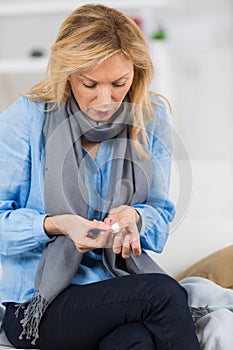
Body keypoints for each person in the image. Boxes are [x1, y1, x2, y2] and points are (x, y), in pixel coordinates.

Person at [0, 4, 200, 350]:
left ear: (135, 74)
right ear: (67, 73)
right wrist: (58, 224)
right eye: (89, 84)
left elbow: (159, 215)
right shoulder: (27, 117)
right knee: (164, 293)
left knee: (135, 340)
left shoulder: (150, 119)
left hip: (115, 289)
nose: (105, 99)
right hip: (36, 306)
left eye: (119, 83)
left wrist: (135, 217)